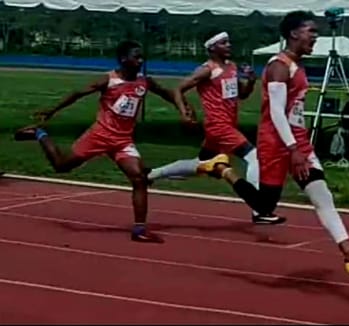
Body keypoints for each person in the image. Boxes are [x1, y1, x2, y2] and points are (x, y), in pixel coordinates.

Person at [13, 39, 194, 243]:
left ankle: (139, 230)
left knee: (139, 179)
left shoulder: (145, 82)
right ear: (123, 59)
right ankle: (39, 134)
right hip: (99, 136)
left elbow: (167, 94)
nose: (141, 61)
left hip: (122, 141)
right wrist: (52, 111)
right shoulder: (109, 80)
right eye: (136, 57)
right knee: (61, 166)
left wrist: (184, 109)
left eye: (142, 57)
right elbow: (78, 93)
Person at [255, 12, 349, 275]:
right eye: (311, 31)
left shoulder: (296, 65)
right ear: (294, 33)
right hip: (276, 143)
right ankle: (220, 169)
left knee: (322, 195)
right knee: (265, 205)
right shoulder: (279, 66)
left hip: (298, 141)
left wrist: (298, 146)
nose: (315, 37)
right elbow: (276, 112)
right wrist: (292, 149)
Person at [144, 31, 282, 226]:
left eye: (228, 42)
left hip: (227, 125)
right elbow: (178, 89)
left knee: (200, 163)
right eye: (223, 43)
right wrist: (184, 113)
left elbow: (242, 94)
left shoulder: (231, 67)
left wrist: (251, 81)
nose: (229, 45)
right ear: (212, 48)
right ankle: (259, 210)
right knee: (254, 157)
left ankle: (151, 174)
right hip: (218, 126)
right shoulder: (206, 70)